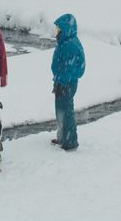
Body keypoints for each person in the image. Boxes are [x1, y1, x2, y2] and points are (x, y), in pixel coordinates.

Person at [50, 13, 85, 151]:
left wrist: (62, 83)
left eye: (58, 29)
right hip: (61, 82)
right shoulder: (65, 42)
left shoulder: (70, 45)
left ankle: (70, 141)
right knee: (60, 110)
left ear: (65, 29)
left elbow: (69, 68)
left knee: (66, 112)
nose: (56, 32)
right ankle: (62, 137)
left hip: (66, 84)